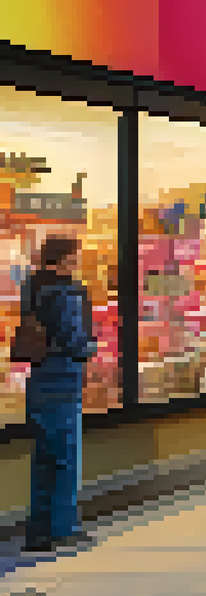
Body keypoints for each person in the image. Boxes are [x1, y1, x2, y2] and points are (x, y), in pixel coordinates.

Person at [19, 235, 97, 553]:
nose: (77, 262)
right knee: (66, 458)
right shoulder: (67, 291)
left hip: (39, 378)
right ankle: (65, 528)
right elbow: (73, 336)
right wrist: (90, 348)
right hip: (63, 377)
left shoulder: (32, 288)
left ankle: (38, 531)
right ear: (63, 259)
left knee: (43, 458)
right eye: (75, 257)